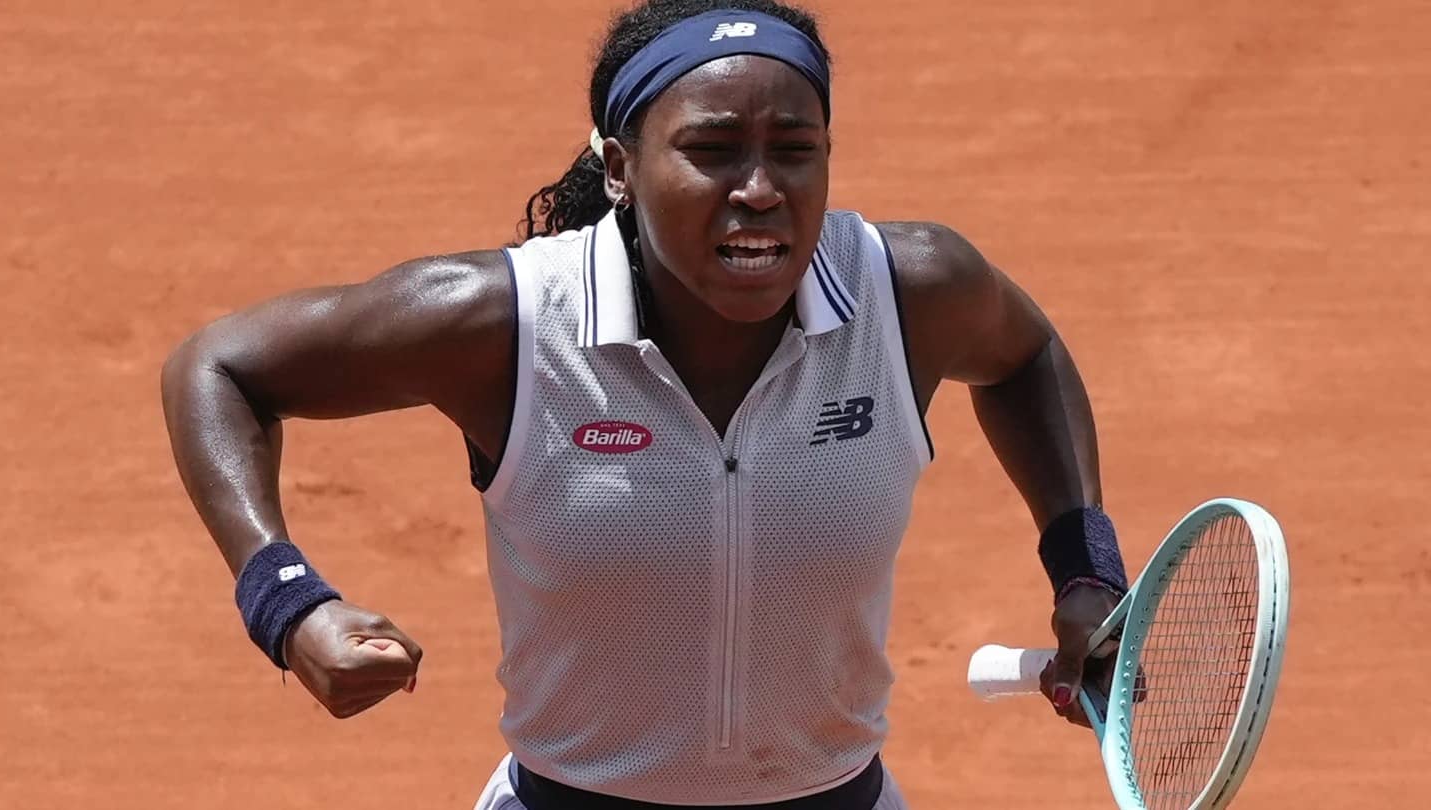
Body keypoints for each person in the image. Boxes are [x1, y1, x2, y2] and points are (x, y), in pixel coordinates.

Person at [160, 0, 1130, 807]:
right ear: (621, 169)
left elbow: (1025, 354)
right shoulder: (509, 324)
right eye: (713, 151)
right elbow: (220, 369)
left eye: (796, 150)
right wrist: (288, 604)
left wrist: (1084, 571)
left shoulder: (908, 295)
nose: (760, 189)